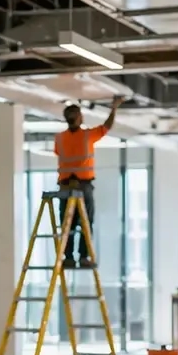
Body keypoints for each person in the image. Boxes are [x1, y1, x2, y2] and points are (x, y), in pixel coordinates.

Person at [53, 97, 122, 268]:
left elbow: (58, 153)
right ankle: (83, 258)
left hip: (65, 187)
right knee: (85, 223)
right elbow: (107, 126)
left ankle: (67, 258)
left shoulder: (60, 139)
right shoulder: (87, 136)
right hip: (83, 186)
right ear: (78, 117)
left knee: (66, 223)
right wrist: (113, 108)